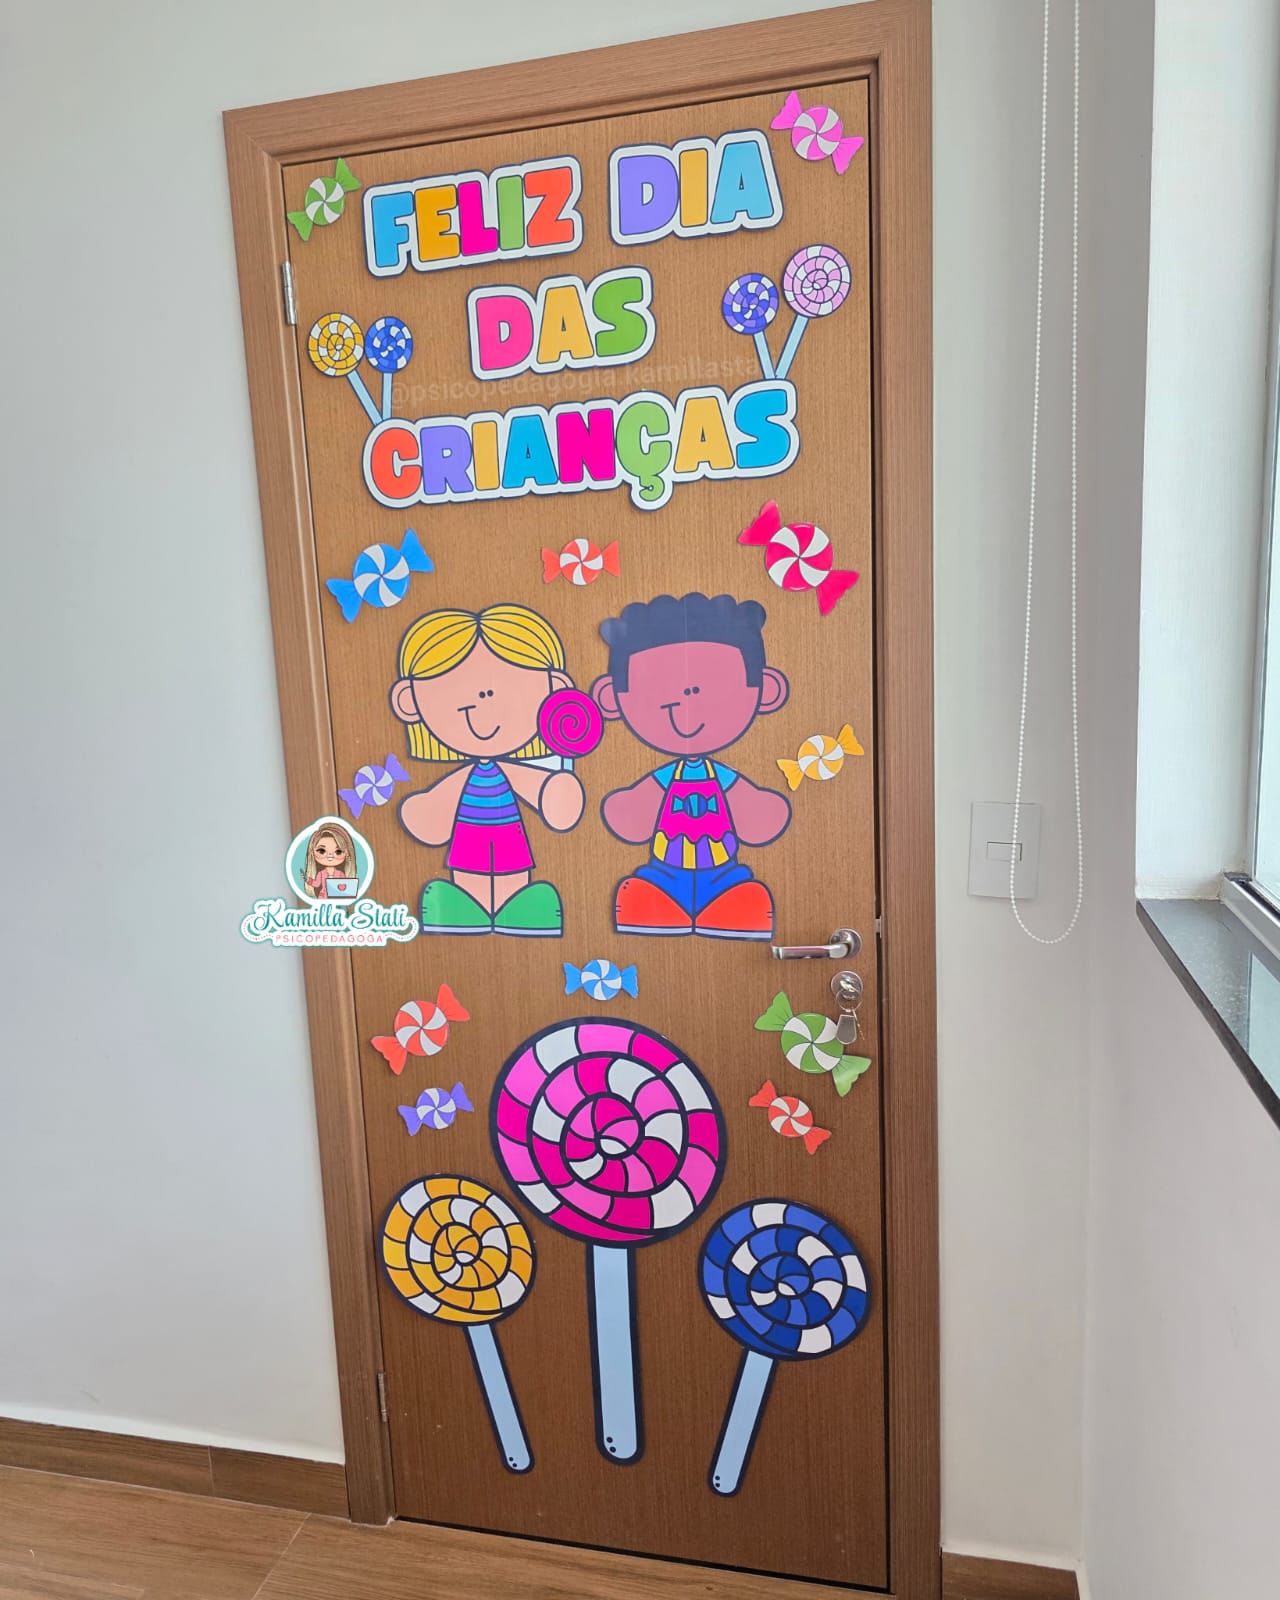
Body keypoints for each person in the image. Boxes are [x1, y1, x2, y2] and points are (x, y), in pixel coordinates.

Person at [591, 592, 791, 939]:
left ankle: (731, 905)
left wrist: (763, 809)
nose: (685, 699)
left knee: (736, 889)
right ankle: (658, 905)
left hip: (721, 867)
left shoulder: (723, 779)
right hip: (666, 868)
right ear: (612, 698)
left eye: (713, 685)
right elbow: (633, 815)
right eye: (659, 685)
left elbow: (755, 814)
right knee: (650, 889)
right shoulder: (666, 779)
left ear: (766, 689)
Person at [392, 604, 584, 936]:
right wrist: (427, 811)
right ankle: (467, 906)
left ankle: (518, 906)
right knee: (469, 871)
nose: (485, 695)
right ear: (409, 701)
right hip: (470, 839)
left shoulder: (514, 770)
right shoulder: (465, 776)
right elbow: (438, 812)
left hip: (509, 839)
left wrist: (555, 792)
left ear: (555, 688)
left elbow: (545, 794)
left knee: (513, 869)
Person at [301, 822, 358, 900]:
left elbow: (344, 886)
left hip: (337, 898)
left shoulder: (340, 874)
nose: (330, 856)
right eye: (322, 851)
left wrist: (340, 887)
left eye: (338, 852)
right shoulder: (321, 873)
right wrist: (307, 879)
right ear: (312, 852)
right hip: (323, 897)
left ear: (347, 853)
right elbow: (317, 884)